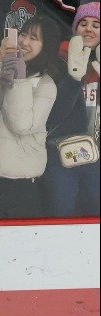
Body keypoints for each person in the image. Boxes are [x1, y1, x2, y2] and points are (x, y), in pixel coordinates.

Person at [0, 15, 60, 218]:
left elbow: (21, 124)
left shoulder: (45, 85)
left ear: (46, 46)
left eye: (34, 38)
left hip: (17, 183)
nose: (24, 41)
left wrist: (18, 81)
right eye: (23, 34)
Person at [39, 1, 100, 216]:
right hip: (62, 153)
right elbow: (52, 115)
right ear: (74, 29)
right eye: (83, 23)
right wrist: (73, 78)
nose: (89, 28)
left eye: (96, 24)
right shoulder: (56, 61)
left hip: (97, 156)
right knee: (60, 212)